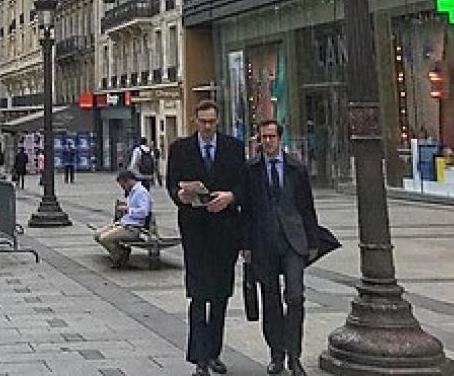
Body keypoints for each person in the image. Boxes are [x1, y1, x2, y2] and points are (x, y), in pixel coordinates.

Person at [166, 100, 245, 376]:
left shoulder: (234, 148)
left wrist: (231, 196)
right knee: (199, 295)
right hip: (196, 230)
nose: (208, 126)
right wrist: (181, 195)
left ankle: (214, 353)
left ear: (218, 121)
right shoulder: (180, 149)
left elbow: (243, 183)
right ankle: (199, 357)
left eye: (212, 121)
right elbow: (171, 182)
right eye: (203, 122)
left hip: (225, 231)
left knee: (221, 295)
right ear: (195, 121)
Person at [240, 120, 324, 376]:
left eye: (272, 137)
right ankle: (276, 354)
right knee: (271, 299)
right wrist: (245, 245)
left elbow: (306, 206)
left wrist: (312, 241)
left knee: (295, 297)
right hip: (263, 242)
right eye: (263, 137)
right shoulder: (251, 169)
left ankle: (294, 355)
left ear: (280, 139)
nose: (267, 142)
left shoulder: (296, 168)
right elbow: (246, 210)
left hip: (293, 242)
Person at [93, 170, 153, 268]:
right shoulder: (132, 192)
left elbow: (144, 212)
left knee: (104, 238)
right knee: (97, 234)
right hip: (124, 223)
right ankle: (121, 251)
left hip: (132, 228)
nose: (123, 188)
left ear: (128, 181)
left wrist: (127, 209)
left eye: (123, 185)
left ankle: (120, 256)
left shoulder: (141, 192)